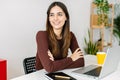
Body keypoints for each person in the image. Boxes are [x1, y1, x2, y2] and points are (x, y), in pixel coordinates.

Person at [35, 1, 84, 73]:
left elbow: (81, 62)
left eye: (59, 14)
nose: (55, 18)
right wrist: (71, 59)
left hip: (61, 73)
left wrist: (54, 63)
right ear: (48, 18)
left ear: (66, 17)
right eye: (52, 15)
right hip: (42, 75)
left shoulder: (70, 36)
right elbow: (49, 68)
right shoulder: (41, 35)